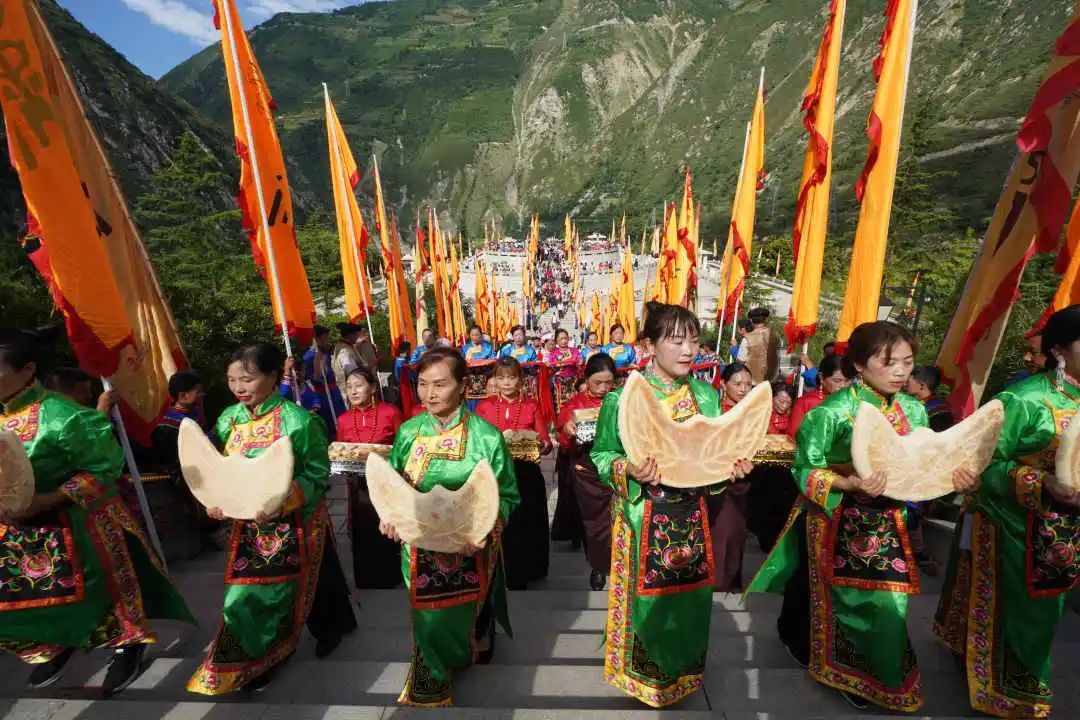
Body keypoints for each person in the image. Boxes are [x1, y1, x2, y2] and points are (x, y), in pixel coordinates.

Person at [747, 321, 978, 712]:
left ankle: (881, 671)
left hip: (891, 522)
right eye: (889, 363)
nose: (901, 372)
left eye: (907, 362)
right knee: (847, 601)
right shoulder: (833, 412)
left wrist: (954, 477)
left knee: (891, 604)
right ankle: (849, 672)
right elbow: (804, 469)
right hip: (838, 518)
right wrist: (846, 483)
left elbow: (924, 462)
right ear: (858, 364)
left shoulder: (913, 410)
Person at [0, 330, 194, 694]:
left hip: (80, 519)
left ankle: (128, 645)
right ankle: (58, 641)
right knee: (21, 596)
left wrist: (52, 497)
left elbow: (104, 468)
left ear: (27, 370)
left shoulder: (63, 416)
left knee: (105, 590)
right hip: (22, 528)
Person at [590, 302, 753, 708]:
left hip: (692, 516)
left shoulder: (706, 396)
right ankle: (643, 675)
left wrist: (731, 469)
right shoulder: (624, 398)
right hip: (642, 513)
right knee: (647, 599)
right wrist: (628, 468)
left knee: (690, 596)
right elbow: (602, 454)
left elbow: (713, 456)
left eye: (694, 341)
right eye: (676, 341)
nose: (688, 350)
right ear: (648, 345)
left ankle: (682, 670)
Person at [934, 305, 1080, 718]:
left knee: (1046, 613)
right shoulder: (1023, 400)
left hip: (1066, 532)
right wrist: (1042, 483)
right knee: (1023, 613)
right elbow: (983, 464)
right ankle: (1013, 692)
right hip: (1013, 525)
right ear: (1058, 351)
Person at [188, 342, 357, 694]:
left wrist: (285, 501)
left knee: (314, 579)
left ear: (273, 376)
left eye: (247, 379)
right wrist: (216, 500)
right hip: (248, 525)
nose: (238, 387)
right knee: (250, 592)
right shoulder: (228, 419)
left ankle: (330, 629)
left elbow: (317, 473)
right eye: (232, 380)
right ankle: (258, 655)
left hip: (296, 519)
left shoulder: (299, 421)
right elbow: (221, 468)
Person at [382, 347, 519, 706]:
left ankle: (467, 646)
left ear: (463, 386)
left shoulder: (486, 437)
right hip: (419, 545)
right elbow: (393, 485)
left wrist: (484, 530)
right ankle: (432, 677)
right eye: (423, 384)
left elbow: (506, 494)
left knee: (462, 610)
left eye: (440, 385)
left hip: (468, 544)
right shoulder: (409, 432)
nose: (429, 394)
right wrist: (390, 516)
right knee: (426, 616)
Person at [477, 357, 553, 590]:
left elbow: (546, 441)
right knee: (498, 521)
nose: (506, 383)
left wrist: (541, 444)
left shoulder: (531, 405)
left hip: (525, 471)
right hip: (495, 473)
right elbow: (476, 439)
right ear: (494, 380)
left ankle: (525, 572)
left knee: (525, 523)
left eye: (511, 377)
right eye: (501, 378)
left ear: (521, 380)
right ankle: (493, 572)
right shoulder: (485, 406)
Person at [336, 367, 404, 589]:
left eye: (359, 385)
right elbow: (341, 452)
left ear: (373, 388)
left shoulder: (390, 412)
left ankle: (392, 575)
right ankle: (366, 579)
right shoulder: (344, 419)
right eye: (349, 387)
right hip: (357, 484)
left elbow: (403, 446)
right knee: (363, 525)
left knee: (386, 522)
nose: (353, 391)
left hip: (387, 482)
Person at [556, 352, 616, 590]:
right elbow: (563, 440)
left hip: (616, 468)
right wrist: (567, 431)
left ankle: (618, 561)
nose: (603, 388)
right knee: (593, 522)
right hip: (587, 470)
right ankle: (598, 565)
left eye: (608, 383)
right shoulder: (575, 404)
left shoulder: (621, 401)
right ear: (586, 379)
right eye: (597, 382)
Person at [711, 361, 755, 590]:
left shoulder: (753, 414)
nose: (743, 389)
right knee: (723, 531)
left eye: (748, 384)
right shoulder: (715, 412)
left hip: (745, 481)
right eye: (737, 384)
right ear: (723, 384)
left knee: (738, 532)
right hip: (719, 481)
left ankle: (732, 580)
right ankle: (718, 582)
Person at [787, 354, 847, 437]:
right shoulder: (805, 403)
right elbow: (793, 436)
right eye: (837, 381)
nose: (843, 385)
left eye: (847, 381)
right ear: (821, 377)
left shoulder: (852, 402)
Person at [906, 365, 954, 432]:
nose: (905, 384)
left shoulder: (939, 412)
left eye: (908, 382)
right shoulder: (915, 402)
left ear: (921, 385)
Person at [546, 328, 581, 414]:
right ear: (556, 341)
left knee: (574, 402)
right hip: (559, 382)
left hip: (573, 381)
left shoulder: (575, 351)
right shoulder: (553, 353)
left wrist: (580, 362)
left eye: (565, 338)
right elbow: (552, 367)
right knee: (560, 403)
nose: (564, 341)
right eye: (561, 339)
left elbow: (579, 361)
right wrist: (549, 365)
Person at [461, 325, 496, 411]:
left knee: (485, 407)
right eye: (473, 335)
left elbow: (493, 362)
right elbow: (461, 363)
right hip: (470, 381)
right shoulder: (465, 348)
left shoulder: (488, 347)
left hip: (484, 379)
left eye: (477, 335)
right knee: (471, 407)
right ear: (469, 335)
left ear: (481, 335)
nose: (475, 337)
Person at [744, 307, 779, 385]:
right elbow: (777, 356)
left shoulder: (747, 338)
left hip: (753, 383)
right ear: (765, 320)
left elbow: (741, 360)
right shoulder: (775, 336)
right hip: (771, 381)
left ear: (751, 321)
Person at [332, 323, 365, 391]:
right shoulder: (344, 351)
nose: (357, 337)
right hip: (350, 391)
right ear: (350, 335)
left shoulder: (347, 346)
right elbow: (352, 372)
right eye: (356, 334)